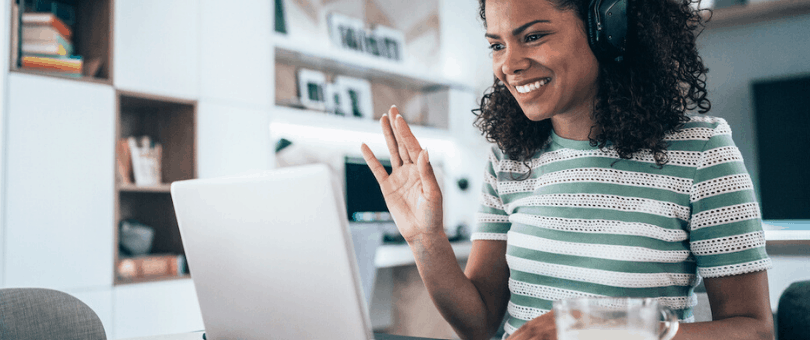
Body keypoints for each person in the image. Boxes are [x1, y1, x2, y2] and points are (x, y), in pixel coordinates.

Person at [360, 0, 775, 339]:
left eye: (533, 37)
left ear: (607, 31)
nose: (509, 65)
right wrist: (425, 239)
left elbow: (754, 329)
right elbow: (479, 322)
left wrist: (604, 328)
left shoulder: (701, 151)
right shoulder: (509, 158)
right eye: (497, 45)